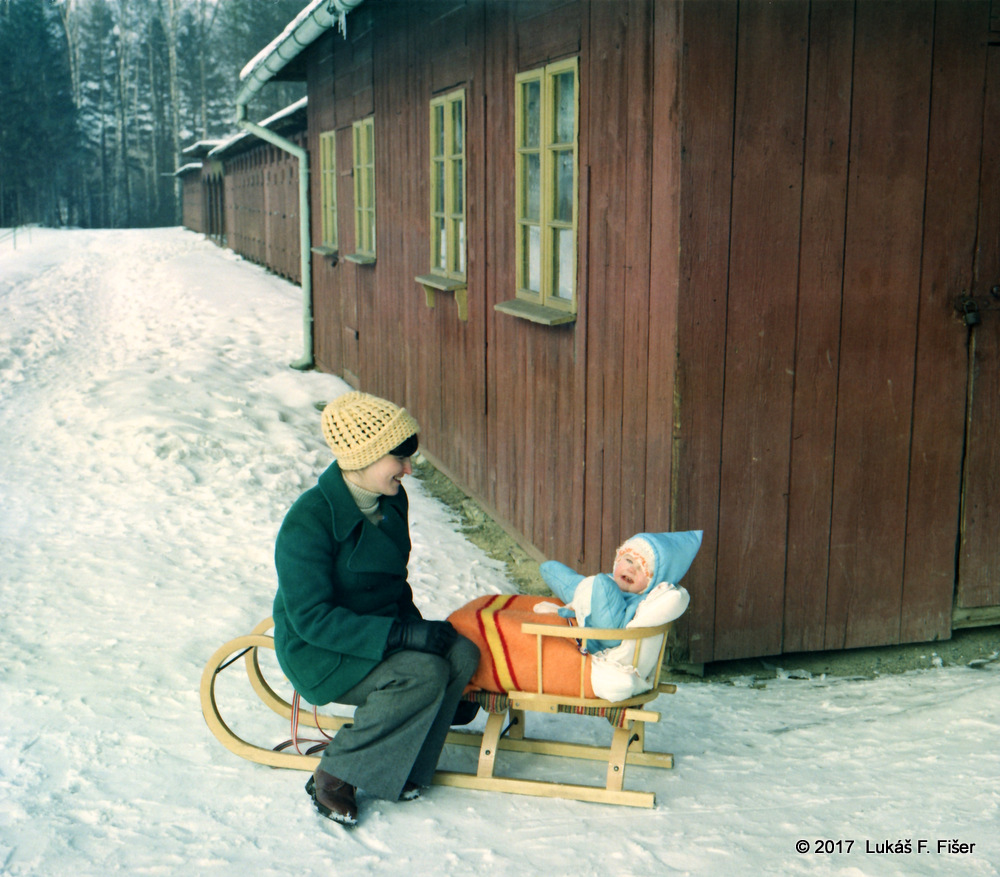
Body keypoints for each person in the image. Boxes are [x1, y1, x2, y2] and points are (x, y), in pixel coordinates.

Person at [272, 391, 480, 826]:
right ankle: (335, 773)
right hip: (324, 650)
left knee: (461, 655)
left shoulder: (390, 500)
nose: (408, 469)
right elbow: (311, 619)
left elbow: (390, 584)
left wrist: (422, 633)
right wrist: (403, 639)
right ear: (361, 458)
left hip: (379, 631)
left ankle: (403, 767)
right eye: (398, 459)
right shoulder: (307, 521)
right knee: (422, 675)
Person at [535, 531, 702, 652]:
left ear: (652, 584)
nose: (631, 569)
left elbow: (616, 632)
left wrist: (600, 587)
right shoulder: (606, 579)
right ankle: (566, 589)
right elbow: (593, 585)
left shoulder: (640, 601)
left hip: (600, 636)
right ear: (617, 560)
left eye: (642, 569)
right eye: (628, 560)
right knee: (555, 572)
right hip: (590, 593)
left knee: (600, 586)